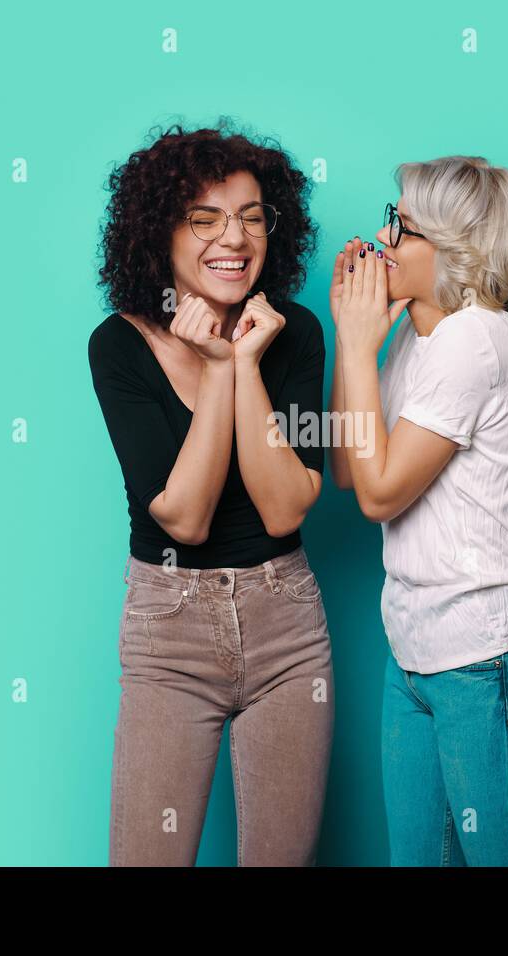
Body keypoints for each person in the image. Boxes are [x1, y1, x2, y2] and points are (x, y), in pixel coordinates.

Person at [88, 124, 332, 865]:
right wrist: (218, 367)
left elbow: (285, 507)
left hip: (287, 630)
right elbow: (185, 518)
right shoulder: (118, 346)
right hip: (171, 635)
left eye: (252, 215)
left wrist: (245, 364)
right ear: (158, 230)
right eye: (206, 218)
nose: (235, 237)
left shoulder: (294, 335)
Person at [329, 155, 508, 865]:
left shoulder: (479, 337)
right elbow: (348, 466)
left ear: (456, 250)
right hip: (414, 657)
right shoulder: (418, 335)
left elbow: (378, 493)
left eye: (400, 225)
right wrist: (355, 341)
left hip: (483, 668)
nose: (381, 236)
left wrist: (359, 345)